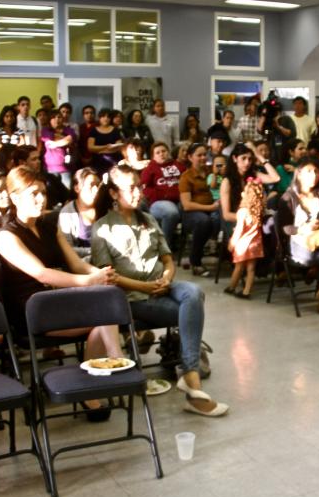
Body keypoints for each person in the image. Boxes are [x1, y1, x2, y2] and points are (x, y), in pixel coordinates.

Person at [91, 163, 228, 417]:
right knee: (189, 310)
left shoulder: (150, 220)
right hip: (133, 297)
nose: (138, 193)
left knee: (194, 293)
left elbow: (167, 259)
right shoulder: (103, 227)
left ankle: (190, 373)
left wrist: (166, 277)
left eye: (139, 187)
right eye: (131, 188)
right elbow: (108, 277)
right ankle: (192, 380)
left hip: (160, 286)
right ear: (113, 193)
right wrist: (146, 286)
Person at [0, 166, 124, 421]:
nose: (41, 199)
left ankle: (89, 384)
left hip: (64, 297)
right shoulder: (6, 236)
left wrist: (99, 273)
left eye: (43, 193)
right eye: (33, 194)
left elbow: (76, 264)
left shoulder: (49, 223)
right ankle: (116, 361)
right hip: (34, 308)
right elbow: (41, 274)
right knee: (102, 306)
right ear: (14, 197)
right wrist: (89, 281)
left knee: (105, 302)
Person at [276, 157, 319, 317]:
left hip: (318, 239)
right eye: (309, 171)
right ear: (299, 174)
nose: (314, 175)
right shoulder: (288, 197)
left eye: (316, 171)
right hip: (298, 243)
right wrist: (302, 228)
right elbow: (284, 228)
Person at [179, 143, 220, 277]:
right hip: (192, 213)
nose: (203, 158)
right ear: (190, 157)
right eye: (199, 155)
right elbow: (187, 205)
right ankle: (195, 262)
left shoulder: (211, 171)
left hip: (213, 208)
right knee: (204, 221)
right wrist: (209, 207)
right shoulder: (186, 177)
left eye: (204, 155)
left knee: (222, 217)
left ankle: (230, 257)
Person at [226, 181, 265, 298]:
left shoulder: (242, 212)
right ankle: (247, 291)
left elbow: (238, 230)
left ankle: (231, 286)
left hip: (243, 245)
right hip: (255, 244)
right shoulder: (258, 212)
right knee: (251, 269)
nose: (242, 193)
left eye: (245, 191)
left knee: (239, 267)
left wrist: (232, 243)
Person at [140, 141, 184, 244]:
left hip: (180, 200)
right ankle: (164, 246)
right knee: (171, 213)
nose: (161, 154)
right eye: (158, 152)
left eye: (163, 151)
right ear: (153, 156)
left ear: (168, 152)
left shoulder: (179, 166)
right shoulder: (149, 169)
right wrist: (165, 195)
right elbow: (145, 189)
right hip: (159, 202)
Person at [58, 168, 102, 260]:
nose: (96, 190)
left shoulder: (104, 207)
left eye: (98, 185)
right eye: (91, 185)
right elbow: (67, 249)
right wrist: (95, 251)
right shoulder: (67, 213)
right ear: (77, 188)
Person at [41, 108, 75, 191]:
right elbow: (51, 138)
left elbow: (70, 139)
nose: (57, 119)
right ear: (49, 120)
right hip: (50, 169)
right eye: (53, 117)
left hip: (66, 168)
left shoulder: (69, 129)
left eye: (59, 117)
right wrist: (64, 139)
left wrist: (55, 143)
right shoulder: (45, 130)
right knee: (52, 194)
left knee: (67, 193)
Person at [86, 108, 123, 173]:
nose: (105, 119)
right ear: (99, 118)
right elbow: (90, 147)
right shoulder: (94, 130)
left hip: (113, 162)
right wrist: (106, 146)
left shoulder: (115, 130)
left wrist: (99, 150)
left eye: (108, 117)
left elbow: (118, 147)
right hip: (97, 162)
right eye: (103, 116)